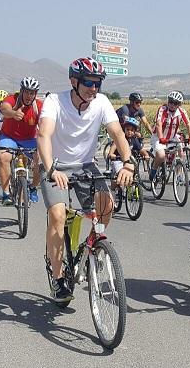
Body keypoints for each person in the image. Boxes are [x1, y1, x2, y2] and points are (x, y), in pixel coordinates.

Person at [38, 56, 135, 302]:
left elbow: (117, 133)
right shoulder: (54, 101)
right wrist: (50, 169)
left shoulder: (101, 102)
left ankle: (93, 245)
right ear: (74, 81)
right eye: (88, 83)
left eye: (97, 84)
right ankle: (59, 280)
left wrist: (128, 162)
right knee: (58, 215)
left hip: (85, 165)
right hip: (56, 166)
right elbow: (44, 135)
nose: (94, 89)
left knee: (107, 206)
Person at [0, 77, 43, 205]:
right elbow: (5, 109)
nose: (29, 96)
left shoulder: (38, 106)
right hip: (9, 137)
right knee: (3, 157)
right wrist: (13, 114)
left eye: (32, 93)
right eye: (27, 92)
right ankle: (6, 194)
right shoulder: (11, 99)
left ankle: (33, 187)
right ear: (21, 91)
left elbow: (45, 121)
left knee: (40, 160)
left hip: (29, 139)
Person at [148, 90, 190, 181]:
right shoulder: (163, 109)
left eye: (175, 103)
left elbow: (188, 124)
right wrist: (161, 138)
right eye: (170, 102)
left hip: (173, 136)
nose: (172, 105)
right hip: (159, 136)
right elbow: (158, 124)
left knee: (181, 153)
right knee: (161, 155)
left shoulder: (182, 111)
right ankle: (154, 168)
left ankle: (179, 175)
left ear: (179, 104)